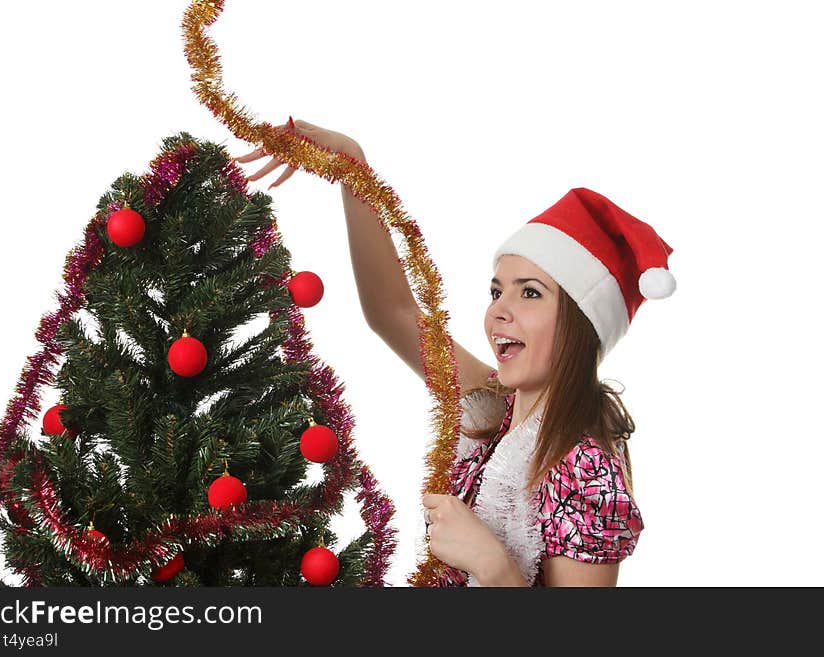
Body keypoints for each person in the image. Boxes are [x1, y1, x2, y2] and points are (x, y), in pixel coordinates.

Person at [236, 118, 676, 587]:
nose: (498, 312)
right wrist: (351, 166)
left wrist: (493, 565)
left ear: (583, 325)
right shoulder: (495, 410)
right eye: (495, 291)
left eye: (529, 294)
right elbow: (393, 312)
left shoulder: (587, 470)